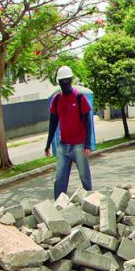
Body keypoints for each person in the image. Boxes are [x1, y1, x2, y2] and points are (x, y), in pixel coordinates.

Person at [45, 66, 94, 199]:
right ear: (58, 82)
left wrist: (87, 144)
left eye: (67, 80)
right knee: (59, 179)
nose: (65, 83)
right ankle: (59, 206)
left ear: (71, 79)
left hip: (79, 145)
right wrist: (48, 144)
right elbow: (53, 123)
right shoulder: (56, 100)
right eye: (62, 81)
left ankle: (91, 201)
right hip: (63, 146)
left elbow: (88, 122)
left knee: (84, 176)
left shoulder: (79, 97)